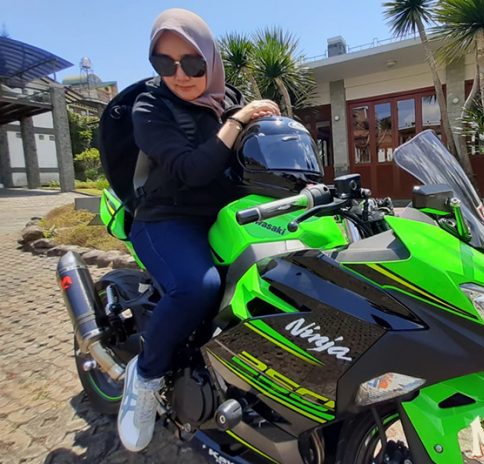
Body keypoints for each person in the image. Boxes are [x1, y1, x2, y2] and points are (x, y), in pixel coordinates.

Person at [117, 8, 280, 452]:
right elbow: (191, 169)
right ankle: (145, 376)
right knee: (198, 287)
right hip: (165, 219)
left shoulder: (232, 100)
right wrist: (237, 122)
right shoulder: (151, 106)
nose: (179, 75)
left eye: (191, 63)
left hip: (228, 216)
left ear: (210, 59)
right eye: (164, 63)